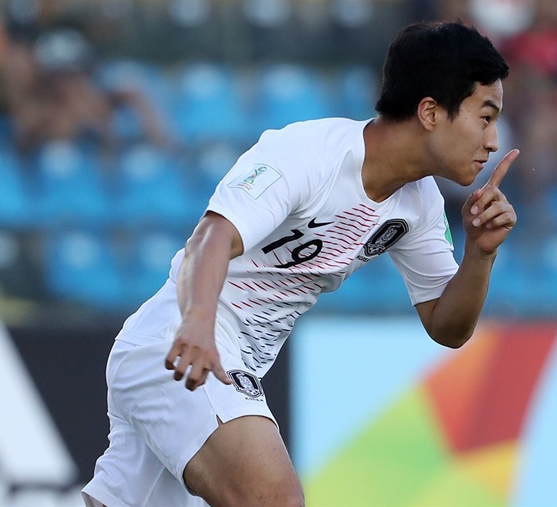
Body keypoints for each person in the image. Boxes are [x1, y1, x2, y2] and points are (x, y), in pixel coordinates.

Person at [83, 21, 518, 507]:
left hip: (206, 355)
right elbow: (212, 235)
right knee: (276, 501)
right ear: (431, 112)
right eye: (485, 117)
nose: (494, 141)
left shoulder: (419, 205)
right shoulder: (313, 154)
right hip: (185, 343)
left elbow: (447, 326)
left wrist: (480, 253)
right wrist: (199, 324)